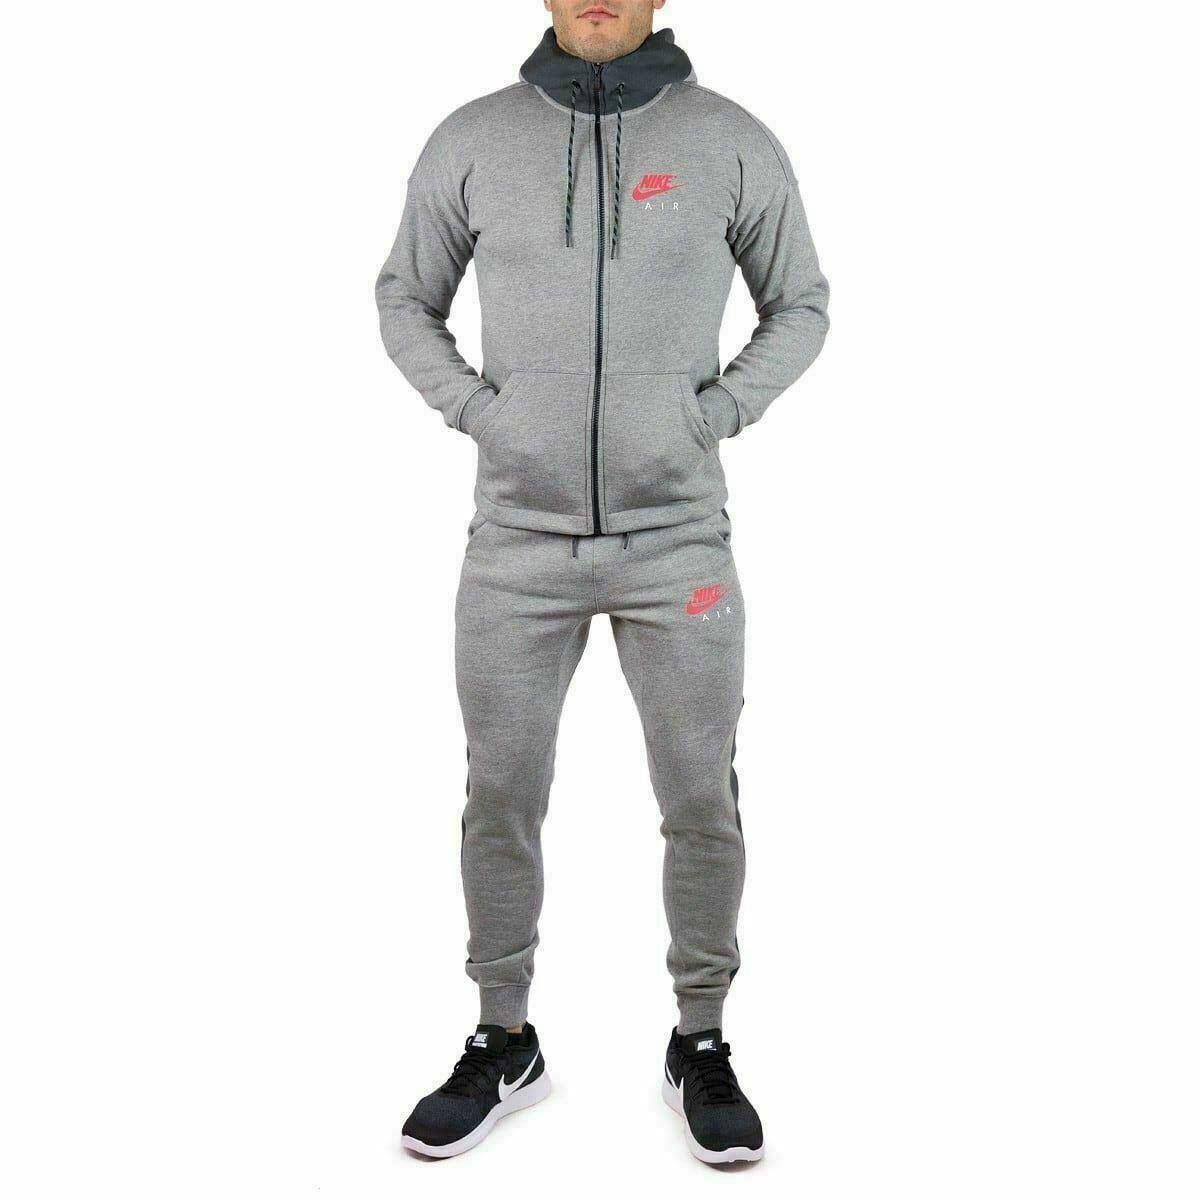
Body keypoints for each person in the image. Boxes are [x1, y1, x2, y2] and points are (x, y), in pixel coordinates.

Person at [376, 0, 828, 1164]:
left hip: (677, 542)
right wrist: (481, 412)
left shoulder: (730, 140)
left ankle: (702, 1038)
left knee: (699, 791)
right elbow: (404, 297)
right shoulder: (473, 138)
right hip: (515, 544)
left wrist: (711, 415)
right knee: (501, 788)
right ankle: (502, 1036)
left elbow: (802, 305)